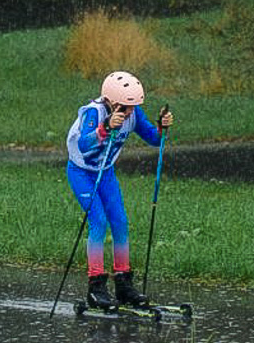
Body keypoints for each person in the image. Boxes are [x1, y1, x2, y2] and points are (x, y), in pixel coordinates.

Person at [66, 71, 174, 310]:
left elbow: (154, 139)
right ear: (112, 102)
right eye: (126, 107)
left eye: (134, 106)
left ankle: (124, 284)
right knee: (98, 222)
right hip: (82, 172)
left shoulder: (133, 113)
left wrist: (162, 126)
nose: (130, 112)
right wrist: (105, 127)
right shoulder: (94, 112)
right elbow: (84, 144)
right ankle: (96, 287)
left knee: (120, 222)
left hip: (106, 172)